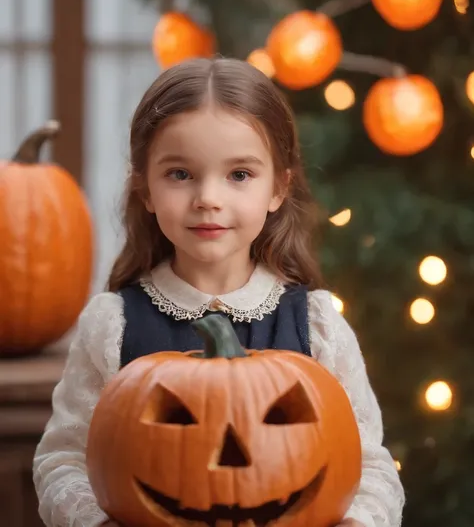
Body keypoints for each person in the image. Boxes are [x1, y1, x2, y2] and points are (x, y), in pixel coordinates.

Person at [33, 57, 404, 527]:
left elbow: (369, 466)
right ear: (144, 187)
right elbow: (63, 460)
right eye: (181, 174)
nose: (208, 197)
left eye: (239, 175)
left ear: (278, 188)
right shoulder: (111, 324)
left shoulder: (318, 323)